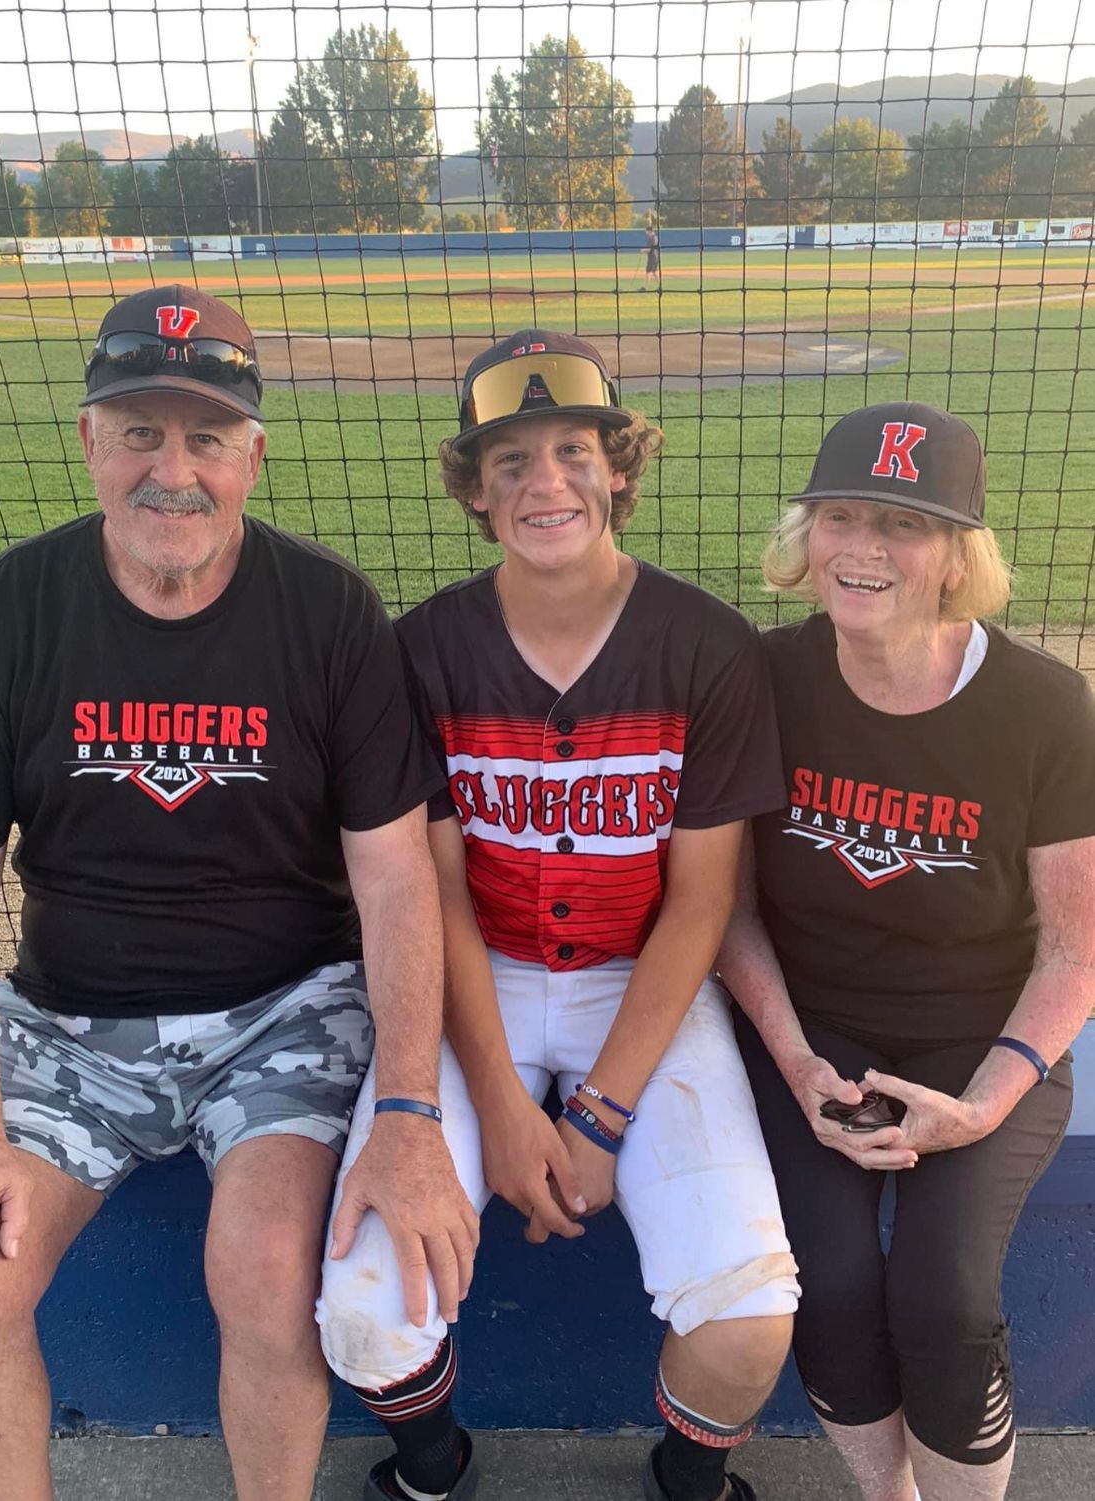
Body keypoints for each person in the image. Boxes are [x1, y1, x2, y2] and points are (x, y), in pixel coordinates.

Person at [0, 283, 476, 1501]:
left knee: (267, 1268)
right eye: (141, 432)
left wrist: (410, 1113)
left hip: (283, 1010)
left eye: (205, 436)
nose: (174, 470)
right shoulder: (13, 607)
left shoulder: (328, 612)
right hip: (67, 1022)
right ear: (90, 442)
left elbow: (398, 880)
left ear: (251, 456)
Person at [318, 329, 801, 1501]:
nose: (547, 482)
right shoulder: (421, 649)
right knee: (367, 1313)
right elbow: (436, 896)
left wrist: (597, 1119)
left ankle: (690, 1485)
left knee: (747, 1320)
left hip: (642, 984)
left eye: (575, 450)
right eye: (511, 460)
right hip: (467, 973)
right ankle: (432, 1470)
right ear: (475, 492)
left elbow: (700, 907)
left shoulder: (709, 645)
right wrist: (496, 1099)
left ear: (620, 468)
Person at [718, 402, 1095, 1501]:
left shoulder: (1043, 705)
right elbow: (731, 914)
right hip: (812, 1031)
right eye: (841, 516)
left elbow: (1075, 949)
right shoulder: (766, 677)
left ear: (957, 554)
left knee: (942, 1296)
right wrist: (795, 1063)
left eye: (904, 524)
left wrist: (980, 1103)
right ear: (807, 534)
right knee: (827, 1285)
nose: (865, 549)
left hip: (982, 1037)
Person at [642, 223, 662, 291]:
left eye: (646, 231)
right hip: (654, 257)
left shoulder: (652, 238)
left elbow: (649, 249)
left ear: (649, 230)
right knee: (654, 272)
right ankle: (660, 286)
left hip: (652, 257)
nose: (646, 232)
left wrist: (643, 251)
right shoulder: (655, 237)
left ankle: (645, 287)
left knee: (648, 271)